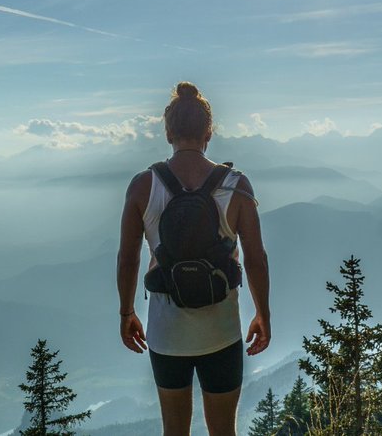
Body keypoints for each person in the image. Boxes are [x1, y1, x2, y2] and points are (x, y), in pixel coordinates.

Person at [116, 82, 271, 436]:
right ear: (209, 132)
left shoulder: (143, 185)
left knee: (174, 431)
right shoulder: (236, 185)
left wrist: (127, 312)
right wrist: (263, 313)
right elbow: (256, 259)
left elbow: (127, 259)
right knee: (223, 431)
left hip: (166, 332)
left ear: (168, 131)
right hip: (221, 330)